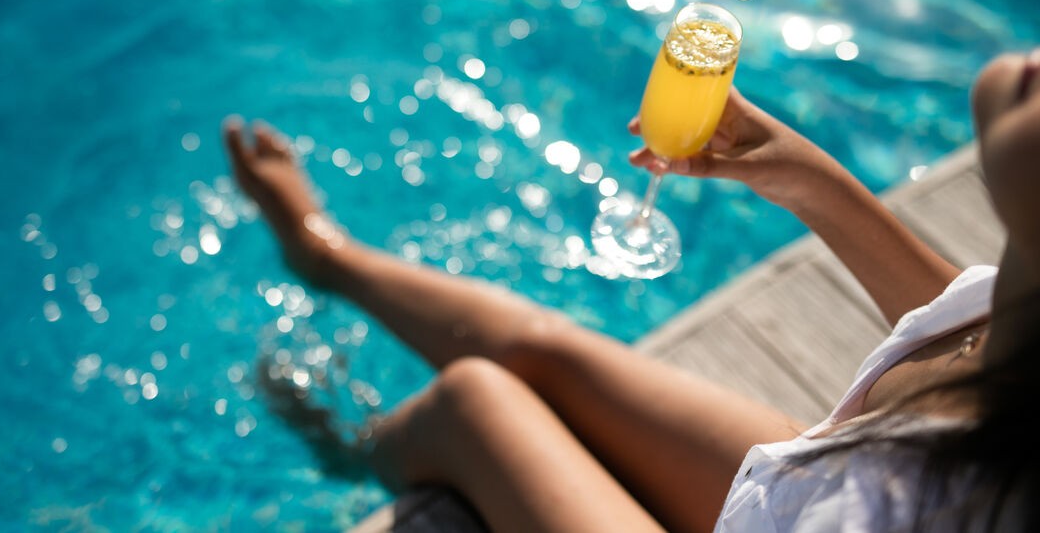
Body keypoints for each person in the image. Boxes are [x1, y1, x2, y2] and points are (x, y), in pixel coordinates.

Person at [223, 48, 1040, 532]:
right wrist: (806, 179)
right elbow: (954, 315)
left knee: (475, 400)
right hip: (817, 483)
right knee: (537, 350)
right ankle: (324, 253)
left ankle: (351, 448)